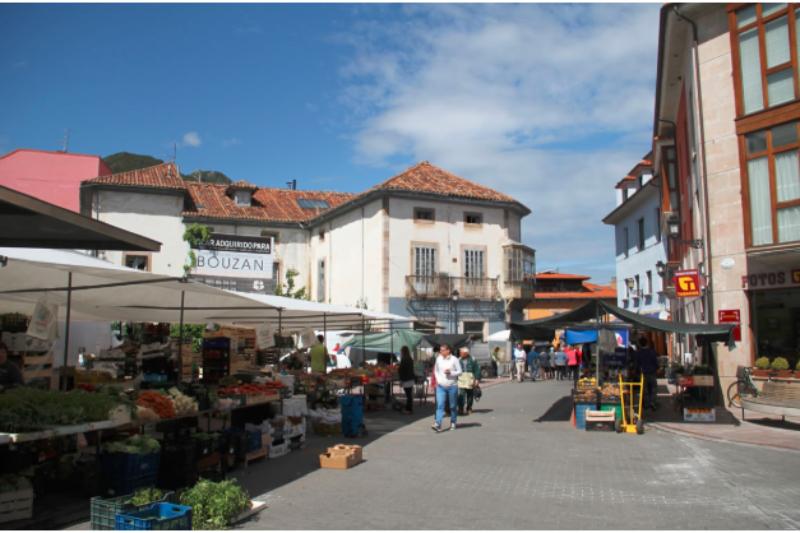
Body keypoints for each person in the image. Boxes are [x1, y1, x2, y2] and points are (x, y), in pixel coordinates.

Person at [432, 344, 461, 432]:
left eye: (443, 350)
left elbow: (460, 371)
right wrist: (438, 379)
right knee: (440, 405)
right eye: (440, 350)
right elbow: (436, 370)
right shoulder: (438, 358)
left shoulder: (454, 359)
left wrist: (451, 373)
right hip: (441, 386)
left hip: (452, 386)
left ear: (448, 351)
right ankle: (438, 423)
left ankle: (453, 422)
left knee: (452, 406)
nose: (441, 352)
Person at [636, 337, 659, 410]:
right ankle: (652, 402)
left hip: (643, 373)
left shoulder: (638, 353)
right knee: (653, 388)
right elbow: (655, 362)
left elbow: (637, 364)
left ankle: (646, 404)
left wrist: (637, 371)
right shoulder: (652, 351)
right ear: (647, 343)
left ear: (640, 344)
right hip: (652, 372)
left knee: (644, 389)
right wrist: (657, 368)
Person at [457, 347, 480, 415]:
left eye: (461, 352)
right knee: (461, 394)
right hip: (461, 378)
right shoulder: (459, 359)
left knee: (470, 394)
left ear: (466, 353)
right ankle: (461, 408)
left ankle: (469, 408)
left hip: (470, 378)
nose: (460, 353)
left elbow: (477, 370)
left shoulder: (472, 359)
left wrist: (477, 379)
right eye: (460, 352)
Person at [398, 346, 416, 414]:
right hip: (411, 378)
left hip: (406, 379)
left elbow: (401, 370)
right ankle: (409, 408)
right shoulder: (410, 359)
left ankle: (409, 409)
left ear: (403, 352)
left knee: (408, 395)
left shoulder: (404, 359)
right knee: (409, 395)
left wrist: (401, 380)